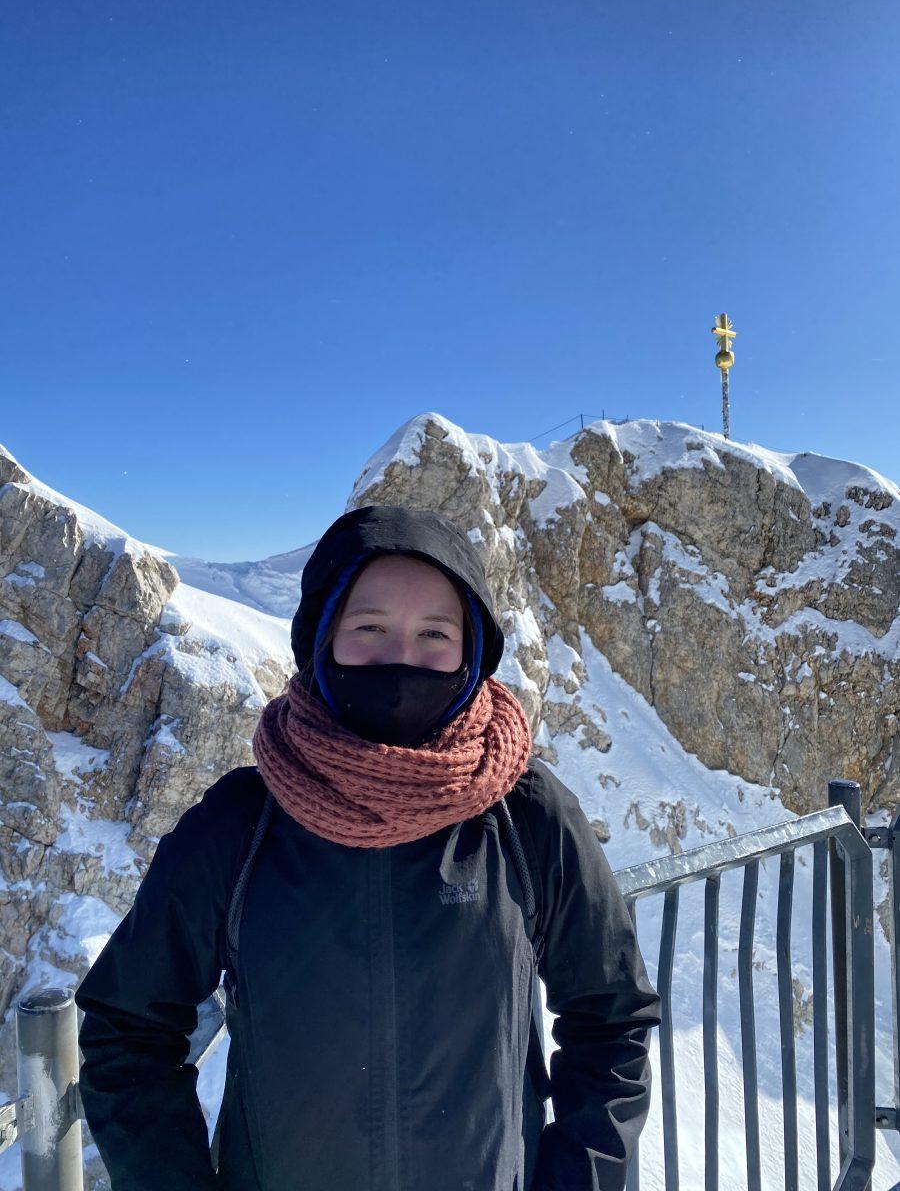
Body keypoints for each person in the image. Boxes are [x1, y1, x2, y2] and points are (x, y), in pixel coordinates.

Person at [74, 503, 661, 1191]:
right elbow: (129, 1029)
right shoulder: (241, 823)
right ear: (323, 639)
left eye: (435, 633)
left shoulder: (524, 814)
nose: (401, 658)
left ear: (472, 652)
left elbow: (611, 1017)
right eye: (369, 627)